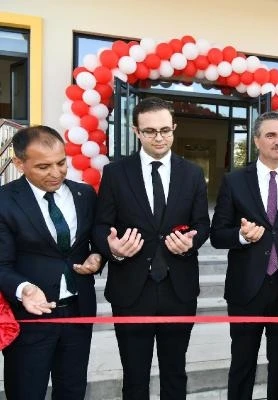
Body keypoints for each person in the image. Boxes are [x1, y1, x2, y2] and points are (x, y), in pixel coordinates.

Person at [93, 97, 210, 400]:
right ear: (136, 131)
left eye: (165, 130)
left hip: (179, 288)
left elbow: (202, 223)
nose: (159, 137)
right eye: (150, 131)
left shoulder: (193, 174)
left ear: (174, 128)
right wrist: (115, 249)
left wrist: (191, 242)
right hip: (131, 290)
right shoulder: (116, 173)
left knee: (175, 372)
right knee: (134, 375)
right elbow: (100, 225)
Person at [210, 111, 278, 400]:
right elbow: (217, 234)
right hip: (246, 289)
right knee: (242, 363)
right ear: (256, 140)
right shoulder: (234, 181)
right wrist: (242, 236)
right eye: (271, 135)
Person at [0, 125, 101, 399]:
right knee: (26, 391)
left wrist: (98, 257)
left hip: (79, 312)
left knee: (72, 390)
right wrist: (24, 290)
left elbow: (94, 244)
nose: (56, 173)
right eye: (44, 167)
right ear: (19, 163)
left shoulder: (84, 195)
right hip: (30, 317)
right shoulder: (4, 201)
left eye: (61, 163)